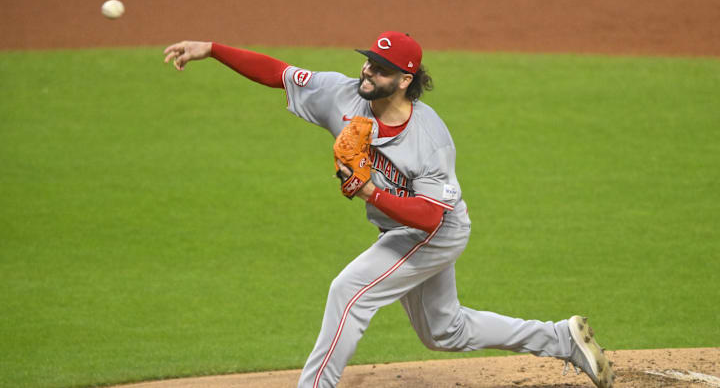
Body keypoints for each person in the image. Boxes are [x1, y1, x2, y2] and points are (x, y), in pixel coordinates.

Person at [163, 32, 615, 388]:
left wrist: (369, 194)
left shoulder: (429, 138)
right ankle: (559, 338)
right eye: (368, 60)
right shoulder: (344, 95)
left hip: (434, 231)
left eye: (380, 68)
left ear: (404, 80)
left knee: (348, 291)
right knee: (444, 332)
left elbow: (429, 217)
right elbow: (280, 73)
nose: (367, 70)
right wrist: (212, 49)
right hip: (401, 228)